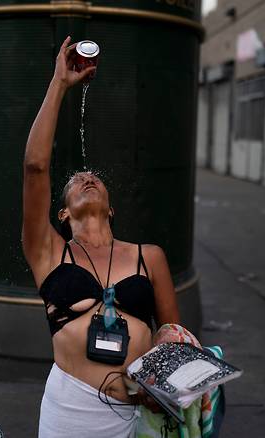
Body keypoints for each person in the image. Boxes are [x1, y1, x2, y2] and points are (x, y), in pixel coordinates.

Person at [22, 37, 180, 438]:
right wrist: (59, 83)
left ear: (111, 209)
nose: (86, 178)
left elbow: (173, 340)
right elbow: (36, 167)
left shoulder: (150, 256)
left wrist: (159, 388)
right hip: (67, 413)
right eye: (75, 182)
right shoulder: (49, 252)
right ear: (62, 213)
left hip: (131, 417)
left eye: (92, 179)